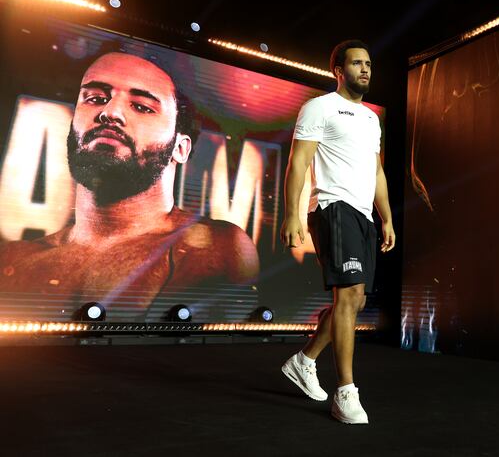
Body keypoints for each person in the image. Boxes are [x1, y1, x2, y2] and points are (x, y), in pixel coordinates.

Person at [0, 52, 259, 311]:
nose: (110, 112)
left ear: (180, 148)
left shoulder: (216, 247)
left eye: (142, 106)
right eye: (95, 99)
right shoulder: (13, 259)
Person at [280, 40, 395, 424]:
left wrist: (387, 218)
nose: (365, 70)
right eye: (357, 63)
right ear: (338, 70)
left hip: (363, 214)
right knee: (347, 297)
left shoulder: (371, 119)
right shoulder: (320, 108)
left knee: (356, 302)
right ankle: (345, 391)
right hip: (332, 208)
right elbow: (298, 162)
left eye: (368, 64)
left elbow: (376, 171)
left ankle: (304, 360)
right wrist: (292, 215)